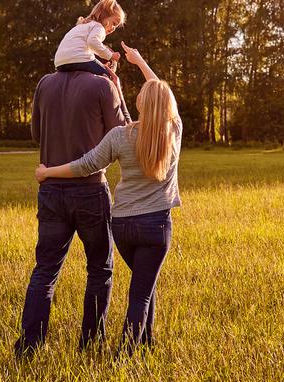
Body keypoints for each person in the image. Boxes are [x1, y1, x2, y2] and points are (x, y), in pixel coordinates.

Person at [36, 43, 181, 355]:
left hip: (124, 226)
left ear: (140, 104)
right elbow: (161, 100)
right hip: (156, 226)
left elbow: (86, 164)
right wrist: (141, 61)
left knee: (145, 283)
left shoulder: (122, 136)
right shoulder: (173, 130)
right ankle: (125, 357)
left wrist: (49, 171)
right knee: (141, 293)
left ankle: (147, 343)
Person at [14, 49, 127, 358]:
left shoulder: (45, 83)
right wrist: (115, 85)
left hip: (50, 190)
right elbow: (123, 135)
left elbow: (37, 134)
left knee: (45, 270)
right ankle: (90, 344)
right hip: (89, 191)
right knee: (100, 269)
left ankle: (29, 347)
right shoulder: (102, 85)